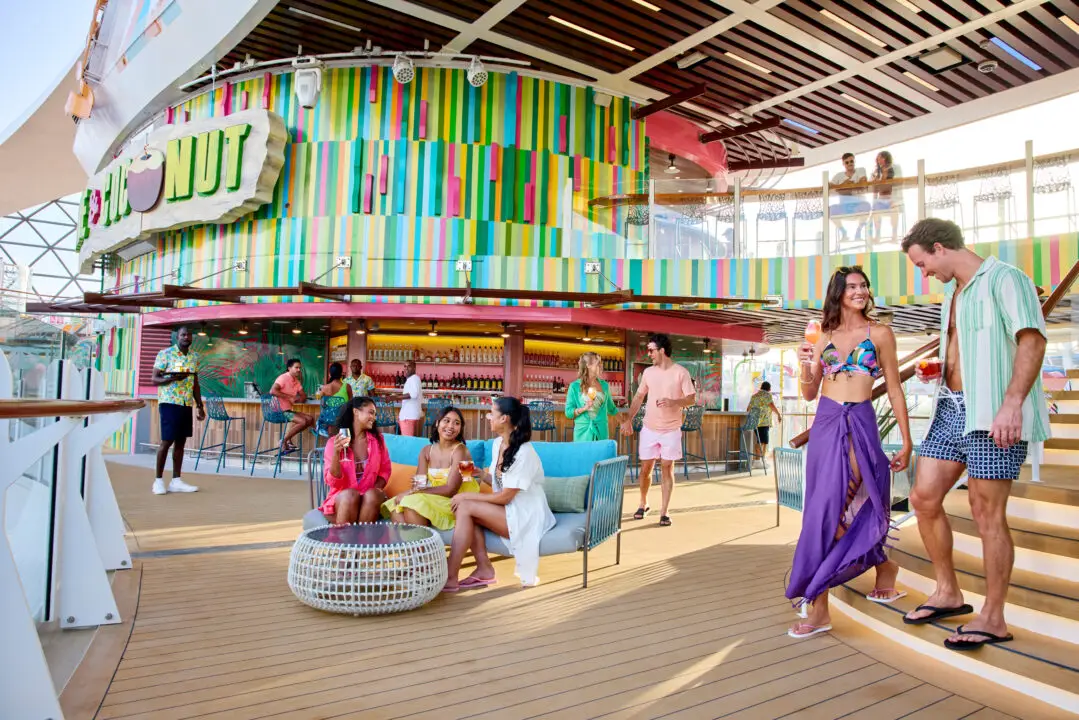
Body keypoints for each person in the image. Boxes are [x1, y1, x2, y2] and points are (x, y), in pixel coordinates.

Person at [900, 219, 1049, 651]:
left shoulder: (1007, 279)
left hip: (993, 413)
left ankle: (994, 617)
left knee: (986, 513)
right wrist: (939, 370)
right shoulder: (952, 293)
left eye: (922, 263)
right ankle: (948, 592)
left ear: (940, 247)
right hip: (951, 407)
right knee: (923, 497)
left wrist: (1012, 403)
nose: (923, 272)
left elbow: (1032, 341)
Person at [787, 265, 913, 639]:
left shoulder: (880, 333)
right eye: (852, 286)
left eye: (864, 286)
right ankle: (869, 576)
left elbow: (893, 390)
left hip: (859, 422)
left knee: (838, 510)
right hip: (825, 426)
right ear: (838, 292)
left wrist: (906, 441)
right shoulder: (821, 334)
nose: (860, 291)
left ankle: (829, 599)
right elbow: (809, 393)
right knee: (820, 512)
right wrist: (803, 364)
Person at [443, 396, 555, 591]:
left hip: (525, 514)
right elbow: (501, 485)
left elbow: (505, 496)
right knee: (467, 512)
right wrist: (481, 475)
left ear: (504, 418)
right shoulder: (498, 444)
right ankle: (482, 569)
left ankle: (449, 575)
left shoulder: (524, 452)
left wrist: (466, 496)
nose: (488, 417)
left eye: (492, 413)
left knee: (465, 505)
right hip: (508, 508)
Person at [620, 334, 696, 527]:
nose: (649, 353)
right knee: (645, 468)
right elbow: (638, 398)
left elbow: (691, 399)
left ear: (662, 351)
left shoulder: (681, 373)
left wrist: (674, 402)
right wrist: (629, 418)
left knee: (667, 467)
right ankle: (643, 503)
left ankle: (664, 511)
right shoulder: (648, 373)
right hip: (649, 428)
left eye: (651, 350)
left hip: (671, 429)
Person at [383, 406, 477, 528]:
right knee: (396, 507)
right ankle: (414, 546)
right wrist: (415, 489)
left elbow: (451, 489)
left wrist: (412, 492)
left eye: (456, 423)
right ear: (437, 423)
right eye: (446, 421)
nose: (451, 426)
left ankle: (421, 545)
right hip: (435, 497)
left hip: (457, 500)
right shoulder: (426, 451)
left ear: (460, 428)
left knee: (410, 504)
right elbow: (419, 484)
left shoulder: (462, 451)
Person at [319, 396, 392, 524]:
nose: (374, 418)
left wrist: (372, 490)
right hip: (343, 499)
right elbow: (333, 482)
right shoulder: (334, 443)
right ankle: (346, 541)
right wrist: (337, 453)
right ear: (355, 412)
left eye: (374, 414)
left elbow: (385, 470)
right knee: (350, 495)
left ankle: (360, 541)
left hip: (369, 502)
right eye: (371, 412)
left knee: (373, 495)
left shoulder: (378, 441)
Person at [150, 326, 205, 495]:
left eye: (189, 334)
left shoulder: (195, 357)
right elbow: (154, 378)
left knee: (181, 442)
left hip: (185, 403)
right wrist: (172, 378)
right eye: (183, 334)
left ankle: (176, 480)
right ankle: (158, 481)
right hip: (169, 402)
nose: (186, 337)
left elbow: (195, 383)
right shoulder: (165, 354)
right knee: (167, 441)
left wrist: (200, 405)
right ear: (177, 337)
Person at [565, 351, 620, 441]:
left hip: (601, 432)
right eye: (598, 364)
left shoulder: (605, 386)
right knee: (583, 455)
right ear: (588, 365)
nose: (601, 366)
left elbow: (611, 408)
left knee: (602, 455)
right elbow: (568, 412)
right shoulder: (574, 386)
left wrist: (624, 422)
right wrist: (583, 408)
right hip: (582, 433)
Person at [272, 358, 315, 453]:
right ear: (289, 368)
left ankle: (287, 440)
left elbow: (303, 394)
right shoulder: (283, 378)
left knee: (310, 419)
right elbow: (273, 391)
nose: (299, 370)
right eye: (296, 367)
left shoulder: (296, 381)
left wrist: (301, 398)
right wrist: (289, 397)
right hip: (279, 411)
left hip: (287, 411)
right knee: (303, 422)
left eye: (300, 368)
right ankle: (284, 440)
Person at [829, 152, 870, 242]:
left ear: (854, 161)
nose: (850, 163)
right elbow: (829, 186)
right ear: (843, 164)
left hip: (858, 207)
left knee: (867, 206)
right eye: (847, 162)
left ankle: (858, 232)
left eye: (851, 161)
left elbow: (863, 183)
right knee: (830, 210)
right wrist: (845, 185)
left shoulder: (860, 170)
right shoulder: (838, 175)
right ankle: (843, 232)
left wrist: (843, 188)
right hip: (844, 208)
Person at [746, 381, 782, 471]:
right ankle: (760, 460)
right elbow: (772, 405)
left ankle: (757, 460)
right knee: (764, 442)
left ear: (761, 387)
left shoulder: (754, 396)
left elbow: (748, 409)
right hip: (764, 422)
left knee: (759, 440)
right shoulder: (767, 395)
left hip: (754, 422)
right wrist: (778, 414)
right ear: (769, 389)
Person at [383, 360, 422, 436]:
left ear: (414, 368)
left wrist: (394, 398)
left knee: (408, 441)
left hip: (408, 416)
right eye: (405, 366)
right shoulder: (411, 379)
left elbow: (413, 394)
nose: (406, 368)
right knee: (407, 439)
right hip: (407, 415)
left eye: (409, 366)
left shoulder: (414, 378)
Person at [869, 151, 897, 242]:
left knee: (894, 211)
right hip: (880, 199)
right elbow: (874, 185)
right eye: (878, 158)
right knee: (875, 212)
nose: (878, 159)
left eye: (880, 157)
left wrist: (878, 177)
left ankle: (894, 235)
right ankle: (877, 236)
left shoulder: (890, 169)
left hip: (890, 197)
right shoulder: (877, 171)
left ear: (885, 158)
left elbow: (884, 182)